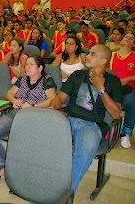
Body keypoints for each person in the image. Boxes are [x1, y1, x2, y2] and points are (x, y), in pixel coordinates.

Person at [49, 44, 122, 192]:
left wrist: (101, 89)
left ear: (103, 61)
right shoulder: (77, 75)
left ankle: (65, 195)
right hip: (68, 120)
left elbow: (115, 114)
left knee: (84, 152)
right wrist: (55, 107)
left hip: (91, 125)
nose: (87, 56)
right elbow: (58, 100)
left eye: (92, 54)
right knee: (45, 141)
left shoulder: (113, 82)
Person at [0, 56, 57, 179]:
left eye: (31, 64)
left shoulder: (47, 80)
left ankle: (17, 169)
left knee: (21, 138)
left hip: (35, 117)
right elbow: (10, 93)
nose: (27, 67)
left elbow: (52, 99)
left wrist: (34, 105)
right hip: (16, 114)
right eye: (26, 64)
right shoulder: (23, 78)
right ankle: (4, 164)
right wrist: (14, 100)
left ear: (40, 68)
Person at [109, 33, 135, 148]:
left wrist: (129, 78)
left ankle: (126, 133)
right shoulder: (113, 55)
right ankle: (107, 129)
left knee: (131, 102)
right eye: (126, 37)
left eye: (131, 38)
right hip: (113, 88)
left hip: (128, 89)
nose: (128, 39)